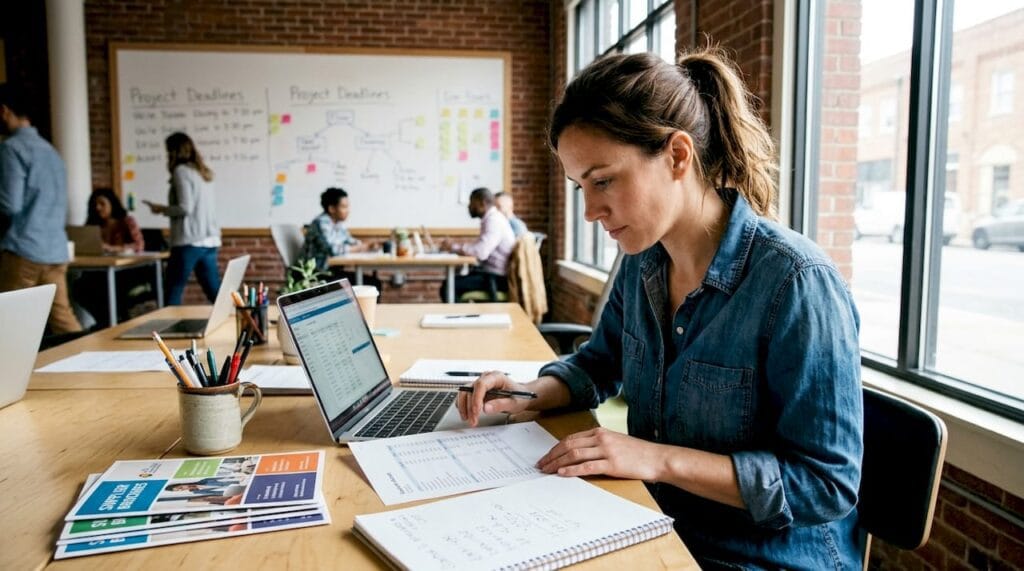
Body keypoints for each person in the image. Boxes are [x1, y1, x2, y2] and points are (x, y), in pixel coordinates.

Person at [457, 48, 863, 569]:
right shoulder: (644, 259)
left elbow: (824, 486)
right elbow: (598, 365)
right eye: (581, 185)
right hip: (657, 518)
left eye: (603, 180)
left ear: (677, 155)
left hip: (764, 555)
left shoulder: (797, 283)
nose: (589, 211)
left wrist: (657, 459)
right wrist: (527, 394)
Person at [0, 83, 83, 334]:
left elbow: (9, 204)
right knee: (63, 321)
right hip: (55, 250)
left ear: (4, 111)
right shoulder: (51, 152)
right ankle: (84, 368)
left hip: (23, 249)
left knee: (9, 323)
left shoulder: (11, 149)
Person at [144, 132, 221, 305]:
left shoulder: (181, 171)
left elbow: (185, 208)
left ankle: (168, 330)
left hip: (189, 240)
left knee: (172, 292)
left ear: (173, 151)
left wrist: (162, 209)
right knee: (216, 294)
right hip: (209, 240)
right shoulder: (202, 172)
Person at [439, 187, 516, 301]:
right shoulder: (491, 219)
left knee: (448, 286)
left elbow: (481, 253)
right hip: (491, 274)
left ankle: (460, 317)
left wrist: (454, 247)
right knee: (452, 281)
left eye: (471, 202)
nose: (469, 206)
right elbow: (479, 247)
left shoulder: (493, 221)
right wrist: (456, 247)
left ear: (482, 203)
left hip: (496, 278)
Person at [302, 187, 380, 288]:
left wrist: (367, 245)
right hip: (319, 274)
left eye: (348, 207)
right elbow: (333, 250)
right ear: (332, 209)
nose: (348, 211)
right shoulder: (321, 223)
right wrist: (361, 247)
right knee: (372, 284)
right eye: (344, 207)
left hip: (332, 271)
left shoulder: (338, 223)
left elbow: (350, 241)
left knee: (373, 282)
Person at [86, 187, 144, 253]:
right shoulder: (92, 223)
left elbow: (139, 246)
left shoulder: (128, 221)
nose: (97, 208)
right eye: (94, 204)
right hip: (98, 262)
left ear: (112, 204)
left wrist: (112, 248)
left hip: (123, 261)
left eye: (102, 203)